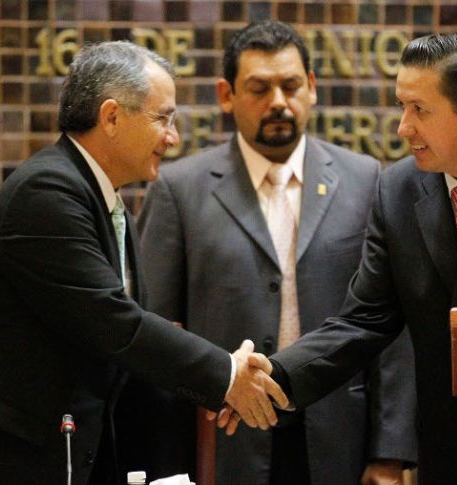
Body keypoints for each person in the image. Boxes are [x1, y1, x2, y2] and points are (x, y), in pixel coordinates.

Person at [225, 32, 457, 485]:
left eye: (419, 109)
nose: (403, 127)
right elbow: (362, 321)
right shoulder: (399, 190)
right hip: (442, 456)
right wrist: (276, 376)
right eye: (402, 106)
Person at [0, 41, 286, 485]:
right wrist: (225, 375)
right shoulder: (46, 192)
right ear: (111, 116)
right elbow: (117, 324)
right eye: (162, 118)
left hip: (78, 455)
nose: (172, 137)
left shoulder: (108, 204)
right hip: (16, 460)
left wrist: (214, 389)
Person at [115, 20, 418, 485]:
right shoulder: (180, 190)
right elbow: (152, 329)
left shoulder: (366, 180)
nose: (278, 101)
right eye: (259, 88)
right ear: (226, 94)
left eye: (290, 85)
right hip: (221, 443)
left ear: (312, 88)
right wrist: (165, 464)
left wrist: (391, 453)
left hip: (340, 438)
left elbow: (391, 331)